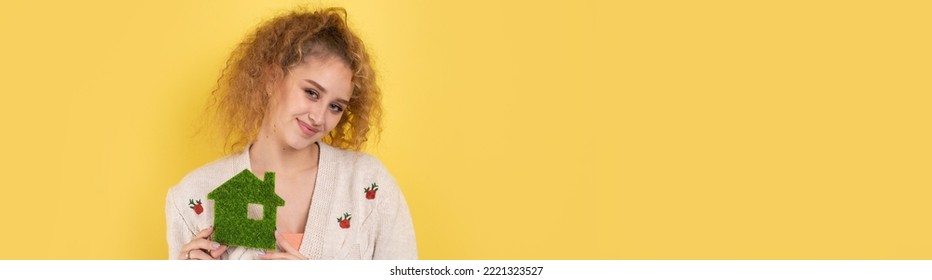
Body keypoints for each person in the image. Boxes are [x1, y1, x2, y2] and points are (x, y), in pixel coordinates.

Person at [165, 7, 417, 260]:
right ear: (271, 78)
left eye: (335, 106)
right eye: (311, 92)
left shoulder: (368, 185)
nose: (319, 118)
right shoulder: (193, 195)